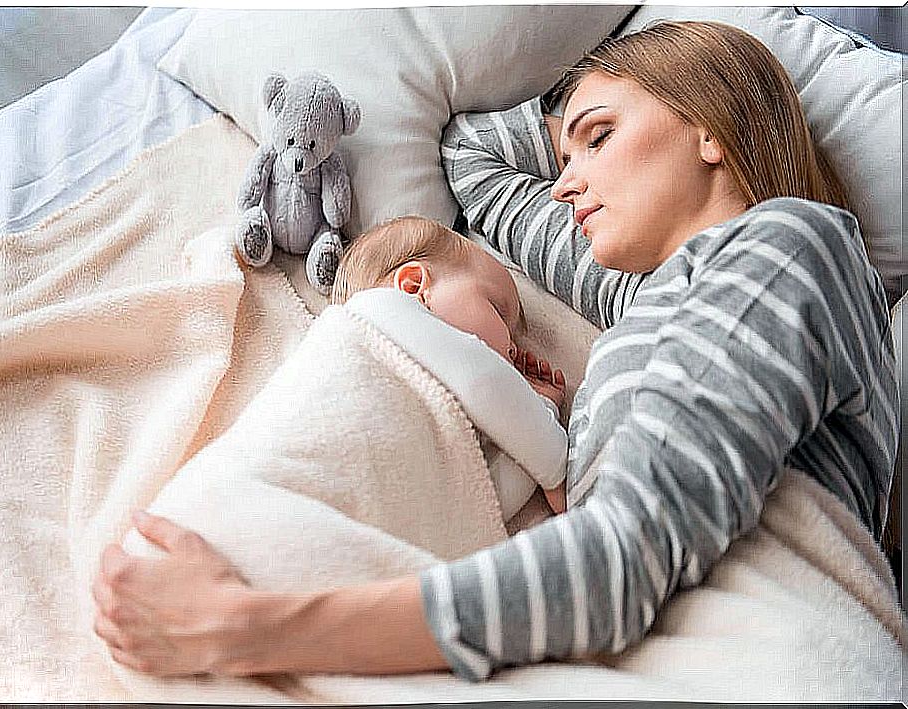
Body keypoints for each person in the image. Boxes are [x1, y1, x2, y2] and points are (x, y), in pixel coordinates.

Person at [92, 20, 898, 681]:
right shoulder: (646, 301)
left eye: (600, 138)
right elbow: (469, 155)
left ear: (709, 131)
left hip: (775, 655)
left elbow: (623, 559)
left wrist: (240, 624)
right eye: (565, 154)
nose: (563, 182)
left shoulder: (792, 240)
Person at [330, 214, 569, 518]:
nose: (512, 348)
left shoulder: (446, 428)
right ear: (414, 285)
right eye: (496, 308)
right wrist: (554, 460)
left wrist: (543, 405)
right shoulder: (376, 312)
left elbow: (481, 510)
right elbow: (482, 382)